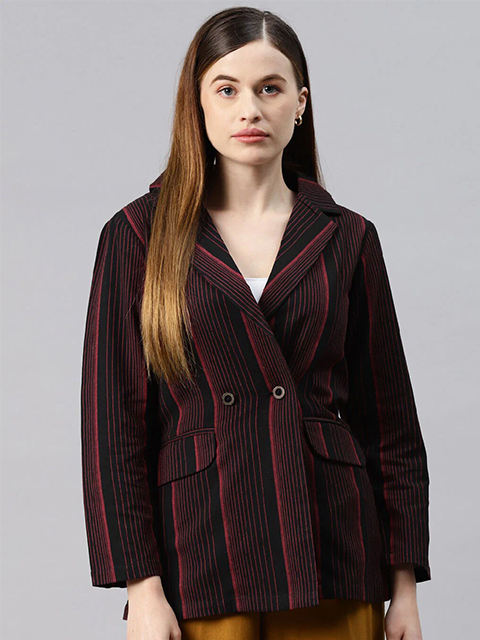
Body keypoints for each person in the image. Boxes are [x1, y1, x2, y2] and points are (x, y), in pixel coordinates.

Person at [80, 6, 431, 640]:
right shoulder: (138, 236)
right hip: (202, 553)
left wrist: (402, 587)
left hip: (333, 552)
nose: (250, 109)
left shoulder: (348, 237)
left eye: (270, 88)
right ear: (198, 105)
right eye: (227, 89)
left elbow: (392, 425)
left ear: (300, 103)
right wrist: (142, 587)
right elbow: (112, 430)